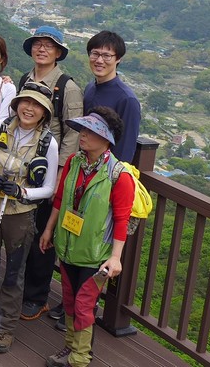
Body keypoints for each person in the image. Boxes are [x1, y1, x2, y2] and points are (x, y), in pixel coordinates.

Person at [0, 84, 59, 354]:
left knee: (14, 271)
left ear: (44, 113)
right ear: (16, 105)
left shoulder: (48, 143)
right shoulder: (0, 127)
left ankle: (6, 327)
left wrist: (22, 192)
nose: (29, 108)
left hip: (20, 212)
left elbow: (49, 188)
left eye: (37, 105)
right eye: (25, 102)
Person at [40, 107, 134, 367]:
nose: (83, 134)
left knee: (84, 303)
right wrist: (49, 229)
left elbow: (122, 220)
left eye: (91, 131)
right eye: (83, 128)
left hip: (95, 254)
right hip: (68, 246)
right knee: (70, 300)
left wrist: (116, 257)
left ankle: (80, 358)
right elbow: (60, 198)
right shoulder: (74, 162)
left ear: (107, 138)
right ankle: (70, 348)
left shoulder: (119, 175)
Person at [18, 25, 84, 323]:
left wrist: (58, 176)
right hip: (23, 167)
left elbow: (73, 134)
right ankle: (21, 288)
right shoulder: (26, 79)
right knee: (22, 228)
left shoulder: (68, 87)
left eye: (49, 45)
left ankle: (36, 296)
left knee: (42, 235)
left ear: (58, 52)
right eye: (37, 44)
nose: (41, 49)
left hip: (49, 170)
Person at [84, 31, 141, 164]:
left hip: (106, 171)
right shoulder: (90, 88)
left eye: (107, 56)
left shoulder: (127, 100)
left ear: (118, 58)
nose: (99, 60)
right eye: (95, 54)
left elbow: (125, 150)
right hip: (84, 166)